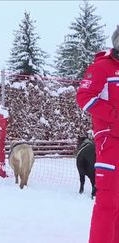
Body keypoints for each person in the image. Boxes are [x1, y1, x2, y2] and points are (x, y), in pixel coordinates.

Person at [76, 25, 119, 243]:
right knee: (108, 203)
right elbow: (84, 97)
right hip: (110, 144)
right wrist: (114, 115)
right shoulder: (102, 67)